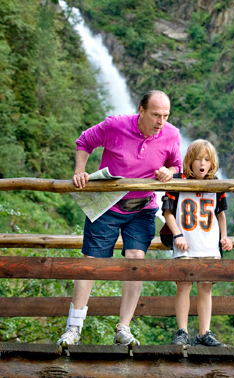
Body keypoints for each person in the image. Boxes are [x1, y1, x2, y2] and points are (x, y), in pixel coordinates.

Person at [57, 90, 182, 347]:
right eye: (156, 115)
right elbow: (84, 141)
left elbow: (176, 164)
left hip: (144, 206)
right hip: (108, 204)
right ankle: (74, 327)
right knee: (91, 262)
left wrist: (168, 173)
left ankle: (123, 329)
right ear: (141, 110)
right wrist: (80, 171)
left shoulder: (172, 133)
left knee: (136, 260)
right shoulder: (115, 125)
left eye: (166, 115)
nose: (161, 121)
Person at [160, 139, 232, 347]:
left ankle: (204, 332)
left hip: (209, 245)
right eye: (198, 159)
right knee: (183, 285)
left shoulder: (216, 183)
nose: (202, 163)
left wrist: (224, 237)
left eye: (207, 159)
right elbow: (167, 212)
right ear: (189, 161)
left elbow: (220, 215)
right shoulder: (177, 180)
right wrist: (177, 235)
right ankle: (182, 331)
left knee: (206, 287)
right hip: (186, 244)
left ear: (212, 163)